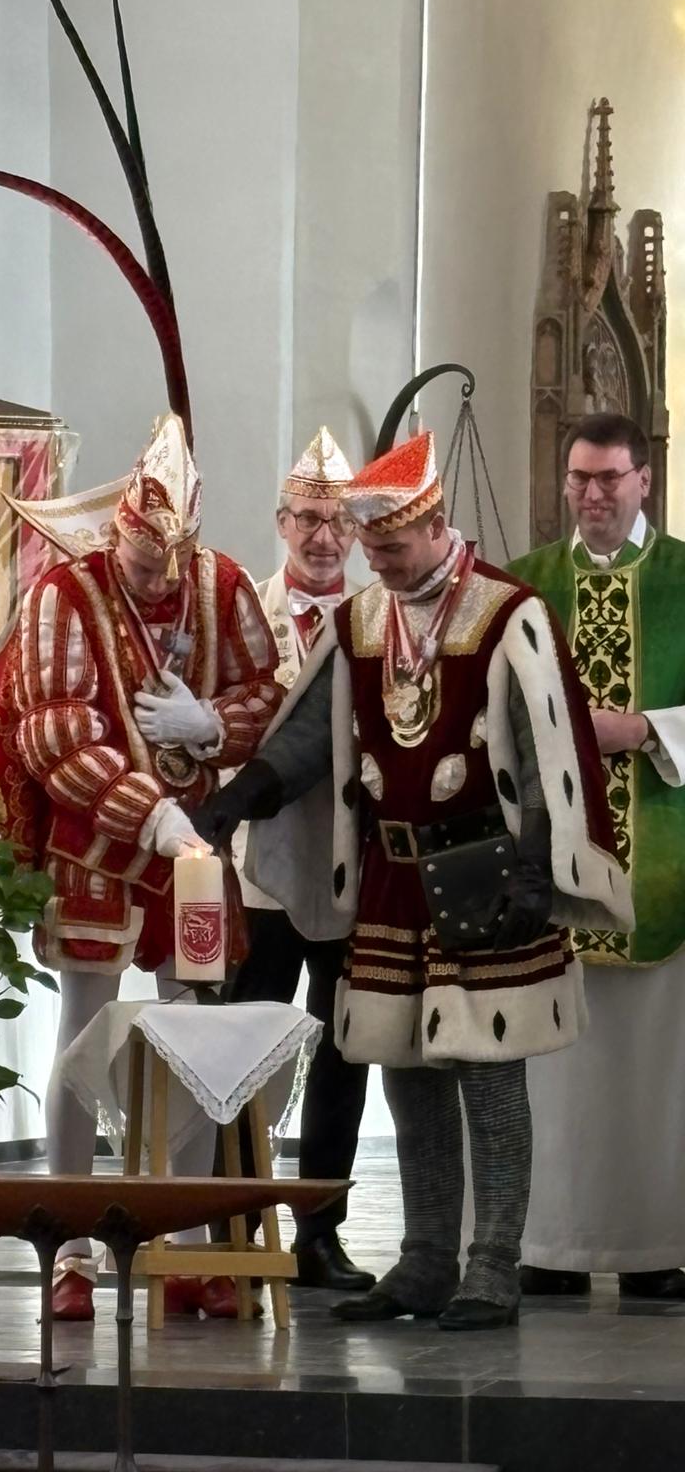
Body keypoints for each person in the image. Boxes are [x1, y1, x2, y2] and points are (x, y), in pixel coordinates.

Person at [195, 431, 632, 1330]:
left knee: (488, 1077)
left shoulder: (508, 614)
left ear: (435, 525)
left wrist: (537, 874)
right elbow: (311, 736)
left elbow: (551, 752)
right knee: (406, 1074)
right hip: (393, 880)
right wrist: (240, 796)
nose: (378, 563)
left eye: (391, 546)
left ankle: (492, 1266)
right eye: (371, 547)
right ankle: (427, 1260)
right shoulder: (364, 623)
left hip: (489, 873)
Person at [0, 414, 283, 1321]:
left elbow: (267, 694)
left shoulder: (222, 584)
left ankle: (179, 1238)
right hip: (97, 846)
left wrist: (213, 725)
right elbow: (54, 735)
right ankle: (68, 1243)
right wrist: (151, 815)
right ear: (119, 532)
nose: (157, 582)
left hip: (194, 846)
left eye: (169, 566)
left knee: (193, 1032)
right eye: (144, 565)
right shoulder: (63, 595)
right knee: (84, 1035)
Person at [507, 413, 685, 1300]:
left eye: (609, 478)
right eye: (579, 478)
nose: (592, 494)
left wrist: (646, 728)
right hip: (554, 862)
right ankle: (552, 1246)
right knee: (557, 1072)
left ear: (644, 480)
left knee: (656, 1073)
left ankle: (657, 1250)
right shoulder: (527, 585)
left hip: (664, 860)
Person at [221, 427, 374, 1292]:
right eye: (309, 519)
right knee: (243, 1041)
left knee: (346, 1047)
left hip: (348, 860)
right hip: (257, 865)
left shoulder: (374, 619)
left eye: (339, 522)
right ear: (281, 522)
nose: (324, 537)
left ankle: (320, 1230)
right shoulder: (244, 613)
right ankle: (235, 1225)